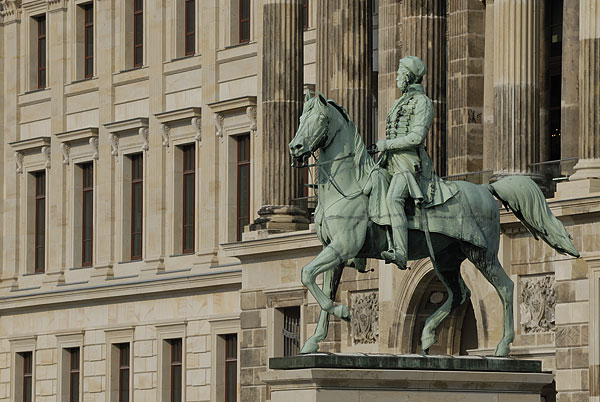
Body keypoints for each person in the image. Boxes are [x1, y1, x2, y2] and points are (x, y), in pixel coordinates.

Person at [376, 56, 434, 269]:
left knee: (393, 199)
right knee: (368, 189)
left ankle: (400, 252)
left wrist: (387, 145)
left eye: (401, 72)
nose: (397, 76)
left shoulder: (423, 102)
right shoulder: (399, 101)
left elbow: (417, 137)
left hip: (409, 163)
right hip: (390, 162)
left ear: (410, 75)